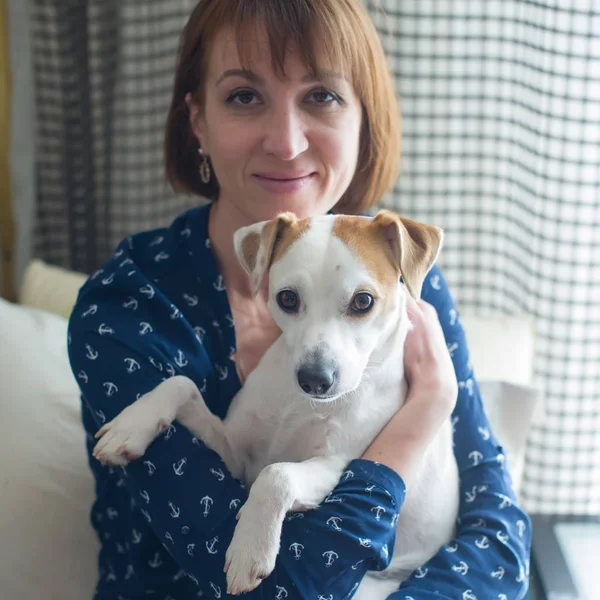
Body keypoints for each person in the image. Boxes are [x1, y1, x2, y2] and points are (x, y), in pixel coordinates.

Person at [67, 1, 532, 598]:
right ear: (198, 122)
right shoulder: (131, 305)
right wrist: (423, 413)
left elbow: (497, 541)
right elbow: (274, 589)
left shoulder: (400, 277)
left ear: (364, 119)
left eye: (322, 96)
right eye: (243, 96)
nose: (286, 143)